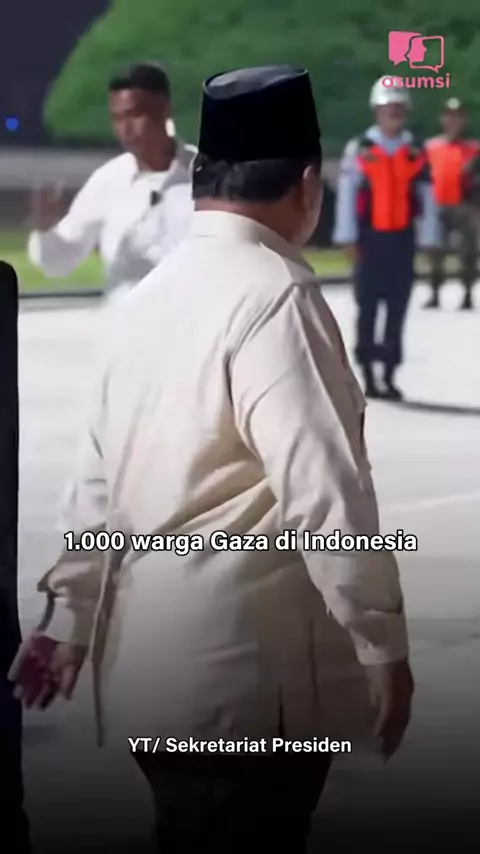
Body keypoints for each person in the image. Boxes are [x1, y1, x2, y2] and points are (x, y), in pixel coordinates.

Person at [10, 66, 414, 853]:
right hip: (248, 682)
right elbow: (324, 490)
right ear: (308, 185)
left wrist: (72, 617)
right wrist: (381, 643)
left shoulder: (144, 299)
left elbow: (97, 480)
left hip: (151, 673)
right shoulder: (277, 295)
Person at [27, 62, 195, 300]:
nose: (125, 129)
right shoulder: (107, 180)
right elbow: (59, 264)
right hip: (127, 319)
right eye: (117, 118)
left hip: (191, 317)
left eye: (134, 115)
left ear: (165, 110)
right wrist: (45, 229)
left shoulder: (208, 176)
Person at [333, 76, 439, 400]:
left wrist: (430, 239)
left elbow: (428, 198)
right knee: (367, 307)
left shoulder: (416, 151)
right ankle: (367, 371)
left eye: (398, 108)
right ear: (376, 111)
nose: (393, 113)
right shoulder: (361, 149)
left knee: (397, 309)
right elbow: (347, 196)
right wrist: (347, 238)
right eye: (387, 107)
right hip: (369, 240)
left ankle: (390, 372)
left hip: (402, 241)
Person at [424, 97, 480, 310]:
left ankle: (467, 293)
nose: (453, 121)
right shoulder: (432, 146)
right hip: (438, 204)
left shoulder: (474, 149)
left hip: (464, 206)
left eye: (458, 117)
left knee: (467, 252)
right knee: (434, 250)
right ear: (443, 119)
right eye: (449, 116)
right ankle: (434, 292)